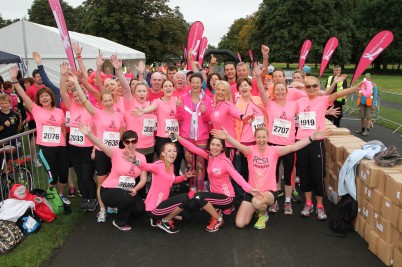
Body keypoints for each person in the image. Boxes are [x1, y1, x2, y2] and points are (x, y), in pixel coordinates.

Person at [212, 126, 331, 229]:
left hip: (268, 192)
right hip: (252, 192)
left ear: (268, 138)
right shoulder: (250, 151)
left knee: (257, 202)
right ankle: (257, 210)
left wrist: (312, 138)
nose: (261, 140)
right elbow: (239, 146)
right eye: (258, 137)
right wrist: (227, 137)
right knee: (240, 223)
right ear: (255, 138)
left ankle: (263, 214)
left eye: (264, 137)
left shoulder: (274, 151)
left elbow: (293, 147)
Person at [297, 76, 361, 220]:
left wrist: (355, 89)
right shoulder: (300, 101)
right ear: (305, 88)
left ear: (319, 86)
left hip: (316, 142)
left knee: (318, 175)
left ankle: (320, 205)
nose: (311, 88)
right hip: (301, 141)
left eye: (314, 85)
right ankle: (308, 203)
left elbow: (338, 94)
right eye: (308, 86)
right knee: (305, 174)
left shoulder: (323, 100)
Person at [174, 133, 259, 232]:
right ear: (209, 145)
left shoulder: (225, 161)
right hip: (215, 195)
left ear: (222, 148)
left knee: (198, 196)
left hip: (227, 197)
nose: (215, 147)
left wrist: (250, 189)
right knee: (192, 204)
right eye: (213, 144)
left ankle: (218, 220)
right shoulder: (210, 157)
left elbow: (237, 176)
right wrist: (178, 137)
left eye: (218, 145)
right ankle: (178, 216)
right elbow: (193, 148)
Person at [10, 65, 70, 205]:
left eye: (47, 95)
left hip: (61, 147)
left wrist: (64, 144)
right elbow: (23, 95)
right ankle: (50, 198)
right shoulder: (36, 109)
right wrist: (14, 80)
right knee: (52, 178)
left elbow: (62, 129)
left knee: (63, 177)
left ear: (51, 98)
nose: (44, 98)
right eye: (41, 96)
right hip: (46, 148)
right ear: (39, 99)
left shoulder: (59, 111)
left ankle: (59, 195)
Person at [73, 69, 124, 223]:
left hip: (114, 153)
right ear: (101, 102)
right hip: (102, 152)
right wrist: (76, 82)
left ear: (114, 100)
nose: (108, 103)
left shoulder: (119, 116)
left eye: (110, 100)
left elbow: (120, 135)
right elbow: (84, 99)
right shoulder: (96, 113)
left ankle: (113, 205)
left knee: (115, 180)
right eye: (105, 100)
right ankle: (102, 209)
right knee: (102, 182)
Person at [78, 123, 146, 231]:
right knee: (126, 198)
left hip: (128, 189)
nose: (130, 144)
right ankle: (119, 222)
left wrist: (135, 189)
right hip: (109, 190)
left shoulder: (141, 157)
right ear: (123, 143)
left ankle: (121, 209)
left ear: (137, 142)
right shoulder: (116, 153)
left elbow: (143, 179)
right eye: (127, 141)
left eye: (133, 141)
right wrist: (89, 134)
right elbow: (101, 144)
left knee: (140, 210)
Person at [126, 142, 195, 234]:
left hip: (162, 204)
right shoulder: (159, 165)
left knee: (187, 215)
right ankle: (165, 220)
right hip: (154, 208)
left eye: (174, 151)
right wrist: (135, 161)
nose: (173, 153)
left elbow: (171, 180)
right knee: (184, 198)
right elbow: (146, 166)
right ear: (163, 153)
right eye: (169, 151)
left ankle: (157, 219)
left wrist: (184, 176)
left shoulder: (170, 165)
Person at [60, 63, 97, 212]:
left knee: (87, 176)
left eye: (79, 95)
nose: (77, 98)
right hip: (74, 147)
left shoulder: (91, 109)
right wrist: (63, 76)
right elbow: (63, 93)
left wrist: (95, 147)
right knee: (79, 176)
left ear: (85, 95)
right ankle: (86, 198)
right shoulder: (72, 106)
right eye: (74, 96)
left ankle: (93, 198)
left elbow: (97, 131)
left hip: (88, 147)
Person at [176, 72, 213, 195]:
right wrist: (179, 108)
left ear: (202, 83)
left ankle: (201, 187)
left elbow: (209, 119)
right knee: (189, 164)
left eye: (198, 82)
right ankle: (192, 187)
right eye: (193, 82)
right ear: (189, 83)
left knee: (200, 164)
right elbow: (179, 118)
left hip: (201, 137)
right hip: (187, 136)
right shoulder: (183, 97)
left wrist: (204, 112)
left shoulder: (207, 99)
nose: (196, 84)